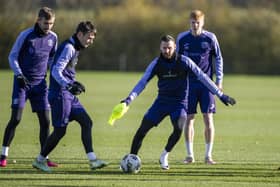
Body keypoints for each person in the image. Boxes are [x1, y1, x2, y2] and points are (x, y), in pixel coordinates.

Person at [110, 35, 235, 170]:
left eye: (169, 48)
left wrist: (221, 95)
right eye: (164, 48)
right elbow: (142, 83)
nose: (167, 51)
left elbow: (202, 76)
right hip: (161, 103)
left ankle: (164, 155)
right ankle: (131, 159)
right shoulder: (156, 64)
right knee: (142, 130)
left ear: (175, 47)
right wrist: (128, 100)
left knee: (179, 129)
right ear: (160, 47)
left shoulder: (184, 61)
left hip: (180, 104)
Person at [32, 21, 108, 172]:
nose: (90, 41)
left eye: (92, 38)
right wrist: (68, 85)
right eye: (89, 37)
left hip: (68, 95)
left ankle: (93, 160)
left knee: (86, 122)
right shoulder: (68, 48)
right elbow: (55, 71)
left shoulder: (75, 47)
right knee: (60, 131)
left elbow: (64, 71)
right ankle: (40, 160)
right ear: (80, 34)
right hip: (60, 95)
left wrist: (73, 83)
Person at [0, 7, 58, 167]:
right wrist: (19, 74)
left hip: (40, 85)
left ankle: (43, 158)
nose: (48, 26)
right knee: (16, 119)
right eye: (46, 23)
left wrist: (55, 74)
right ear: (38, 20)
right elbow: (12, 56)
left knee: (46, 121)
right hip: (22, 84)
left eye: (51, 23)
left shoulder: (53, 37)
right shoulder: (25, 35)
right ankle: (3, 155)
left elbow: (52, 58)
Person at [176, 10, 224, 164]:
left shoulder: (210, 38)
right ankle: (189, 155)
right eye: (192, 23)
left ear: (202, 23)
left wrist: (219, 80)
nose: (195, 25)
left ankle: (208, 155)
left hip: (206, 85)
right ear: (189, 23)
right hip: (188, 84)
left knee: (208, 118)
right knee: (189, 118)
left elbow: (218, 58)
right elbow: (177, 61)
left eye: (198, 23)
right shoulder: (182, 39)